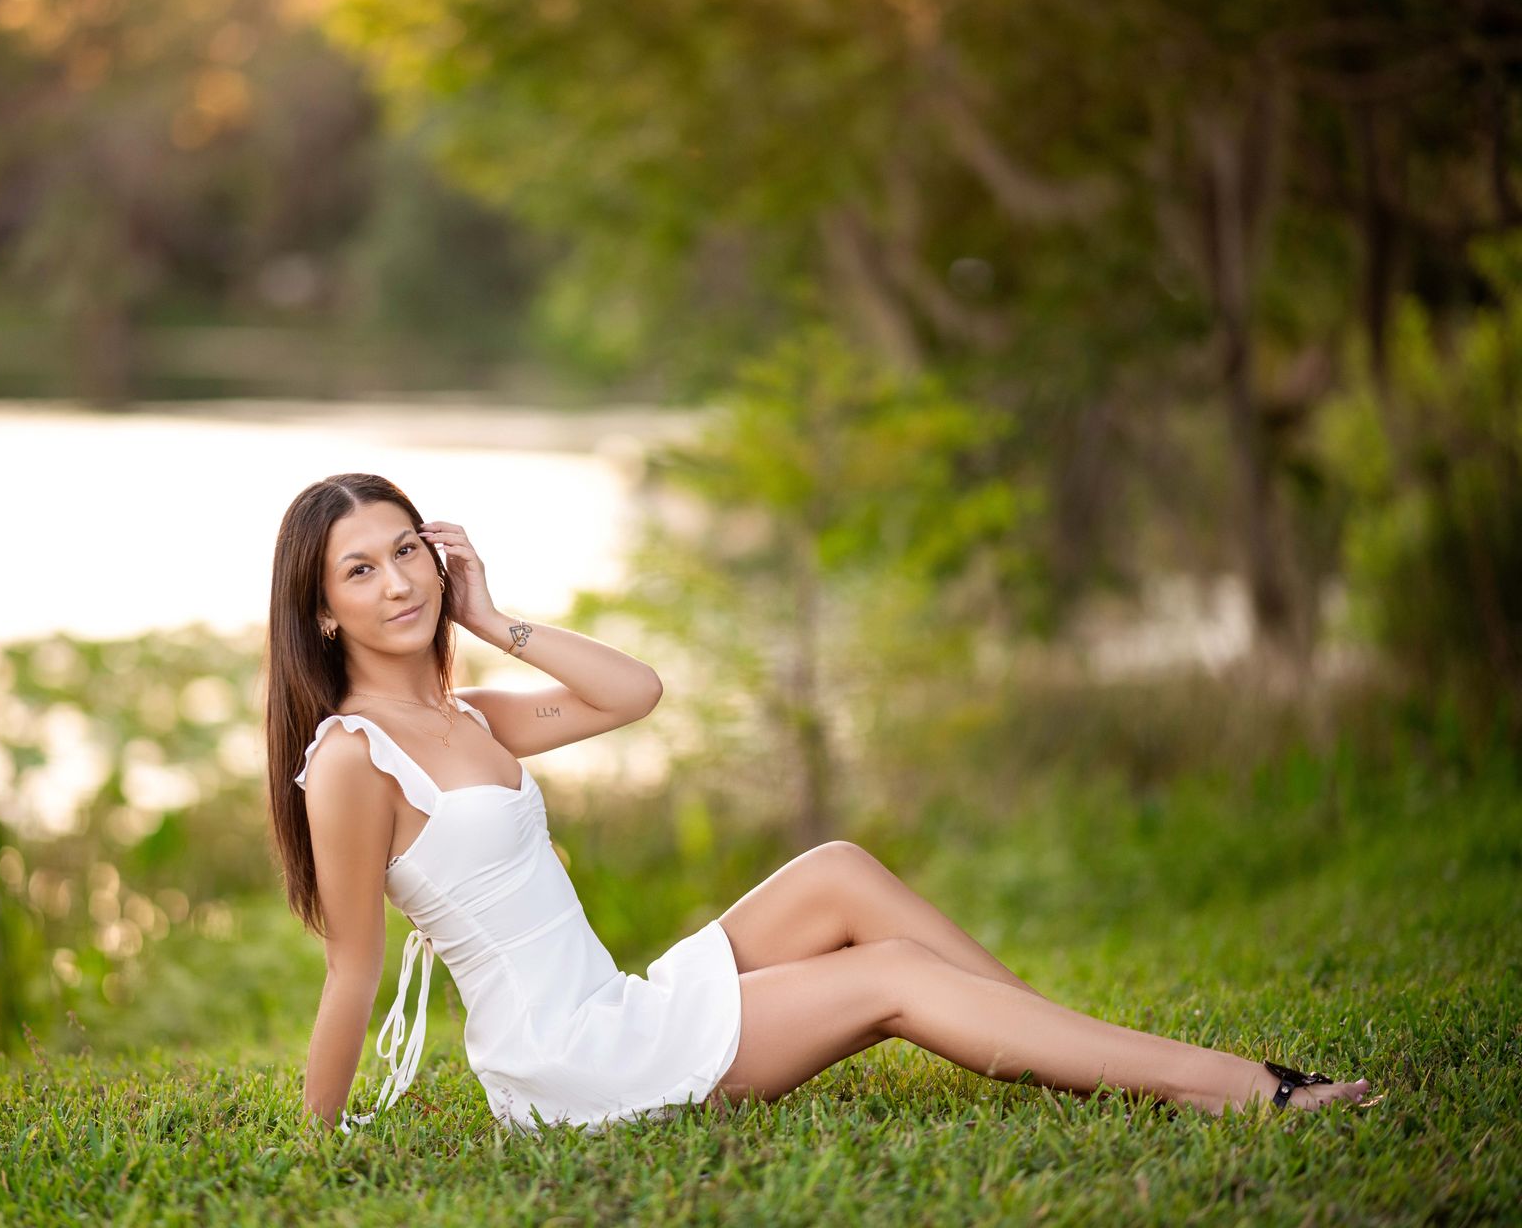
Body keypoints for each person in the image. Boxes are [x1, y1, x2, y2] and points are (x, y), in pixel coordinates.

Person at [264, 473, 1372, 1136]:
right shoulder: (354, 760)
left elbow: (635, 691)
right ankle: (1231, 1087)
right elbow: (352, 967)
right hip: (570, 1063)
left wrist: (493, 614)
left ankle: (1071, 1048)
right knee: (889, 978)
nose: (399, 582)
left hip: (613, 1005)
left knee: (839, 866)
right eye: (358, 571)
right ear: (319, 613)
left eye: (407, 549)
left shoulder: (477, 714)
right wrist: (316, 1156)